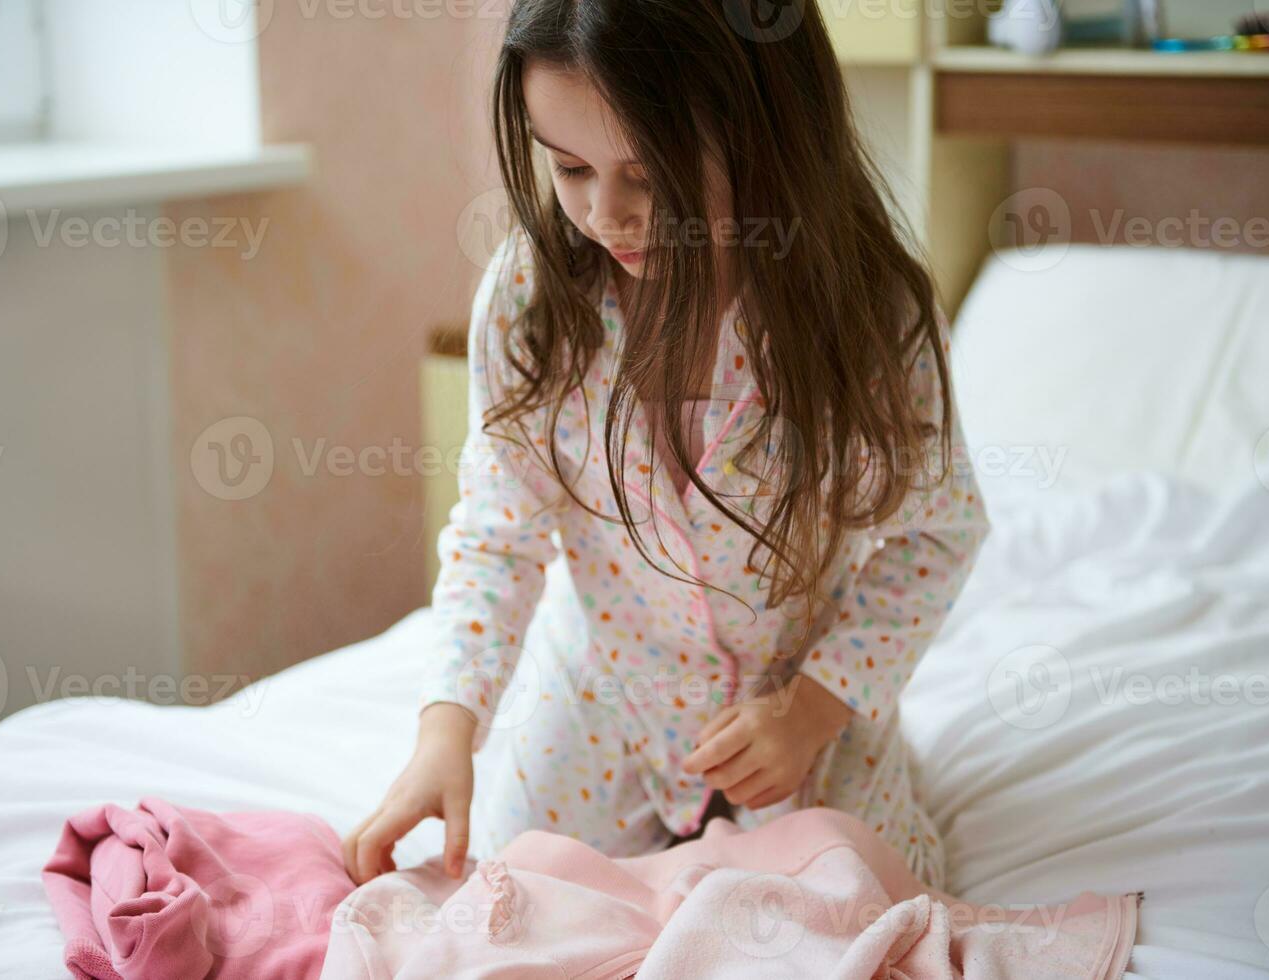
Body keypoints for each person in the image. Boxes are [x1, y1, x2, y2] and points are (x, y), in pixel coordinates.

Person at [343, 0, 990, 893]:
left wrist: (813, 709)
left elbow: (936, 535)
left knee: (871, 901)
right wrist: (445, 731)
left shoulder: (872, 319)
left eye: (648, 177)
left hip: (796, 704)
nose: (605, 215)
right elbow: (500, 531)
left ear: (764, 135)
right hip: (607, 688)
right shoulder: (532, 300)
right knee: (515, 902)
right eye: (569, 167)